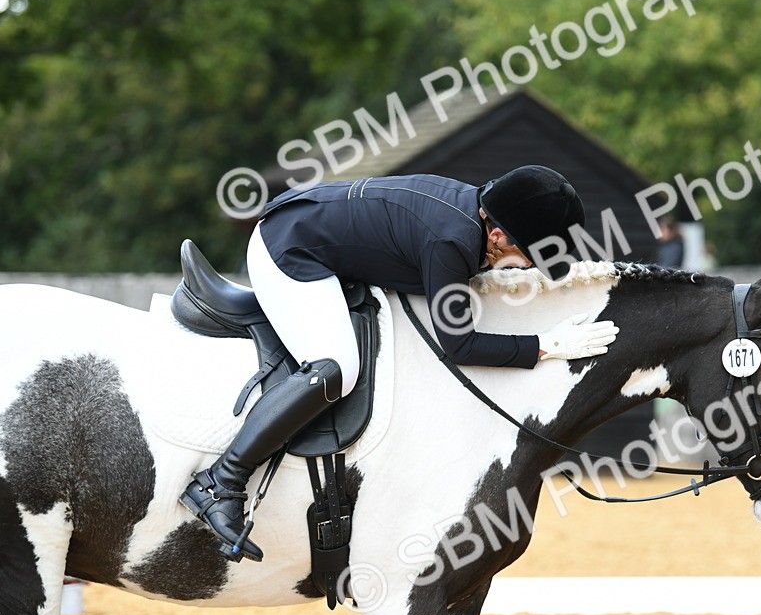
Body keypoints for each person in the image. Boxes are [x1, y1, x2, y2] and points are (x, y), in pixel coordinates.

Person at [180, 166, 620, 562]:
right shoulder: (451, 241)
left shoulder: (471, 212)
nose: (524, 267)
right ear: (499, 236)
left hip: (308, 229)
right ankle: (222, 482)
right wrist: (545, 345)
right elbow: (460, 346)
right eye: (526, 256)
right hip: (289, 250)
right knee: (336, 368)